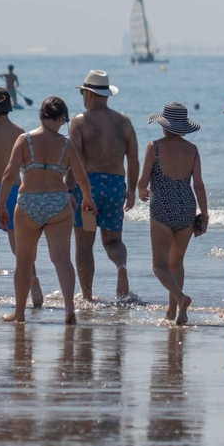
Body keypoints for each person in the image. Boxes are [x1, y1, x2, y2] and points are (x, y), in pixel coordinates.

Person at [0, 96, 97, 325]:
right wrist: (87, 200)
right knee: (62, 260)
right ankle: (70, 308)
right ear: (61, 118)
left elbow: (9, 175)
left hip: (29, 201)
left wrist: (1, 206)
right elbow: (81, 177)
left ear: (41, 115)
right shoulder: (65, 144)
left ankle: (19, 313)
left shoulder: (24, 140)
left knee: (23, 261)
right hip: (58, 202)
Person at [69, 70, 139, 302]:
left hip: (88, 187)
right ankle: (121, 266)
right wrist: (131, 189)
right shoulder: (125, 122)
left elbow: (75, 159)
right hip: (116, 185)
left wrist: (69, 188)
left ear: (88, 94)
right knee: (113, 241)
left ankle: (87, 296)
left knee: (84, 244)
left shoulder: (80, 122)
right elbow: (134, 160)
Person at [137, 102, 209, 325]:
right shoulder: (193, 150)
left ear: (164, 125)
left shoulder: (154, 147)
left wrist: (141, 191)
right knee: (176, 263)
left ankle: (180, 299)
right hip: (186, 207)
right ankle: (174, 312)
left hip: (162, 208)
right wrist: (204, 214)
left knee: (159, 266)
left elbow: (143, 180)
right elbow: (198, 185)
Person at [0, 86, 42, 309]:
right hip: (17, 191)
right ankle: (33, 283)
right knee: (21, 248)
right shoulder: (21, 133)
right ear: (9, 107)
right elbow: (27, 167)